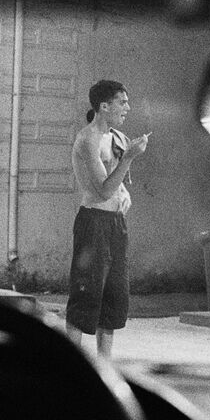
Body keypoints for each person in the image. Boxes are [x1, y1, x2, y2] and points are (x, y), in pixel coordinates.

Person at [66, 79, 150, 358]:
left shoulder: (117, 137)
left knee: (114, 297)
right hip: (93, 222)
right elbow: (103, 190)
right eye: (122, 102)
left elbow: (117, 184)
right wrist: (129, 158)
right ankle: (72, 364)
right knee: (86, 295)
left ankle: (104, 365)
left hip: (116, 224)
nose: (128, 107)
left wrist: (125, 193)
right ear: (104, 106)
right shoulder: (87, 139)